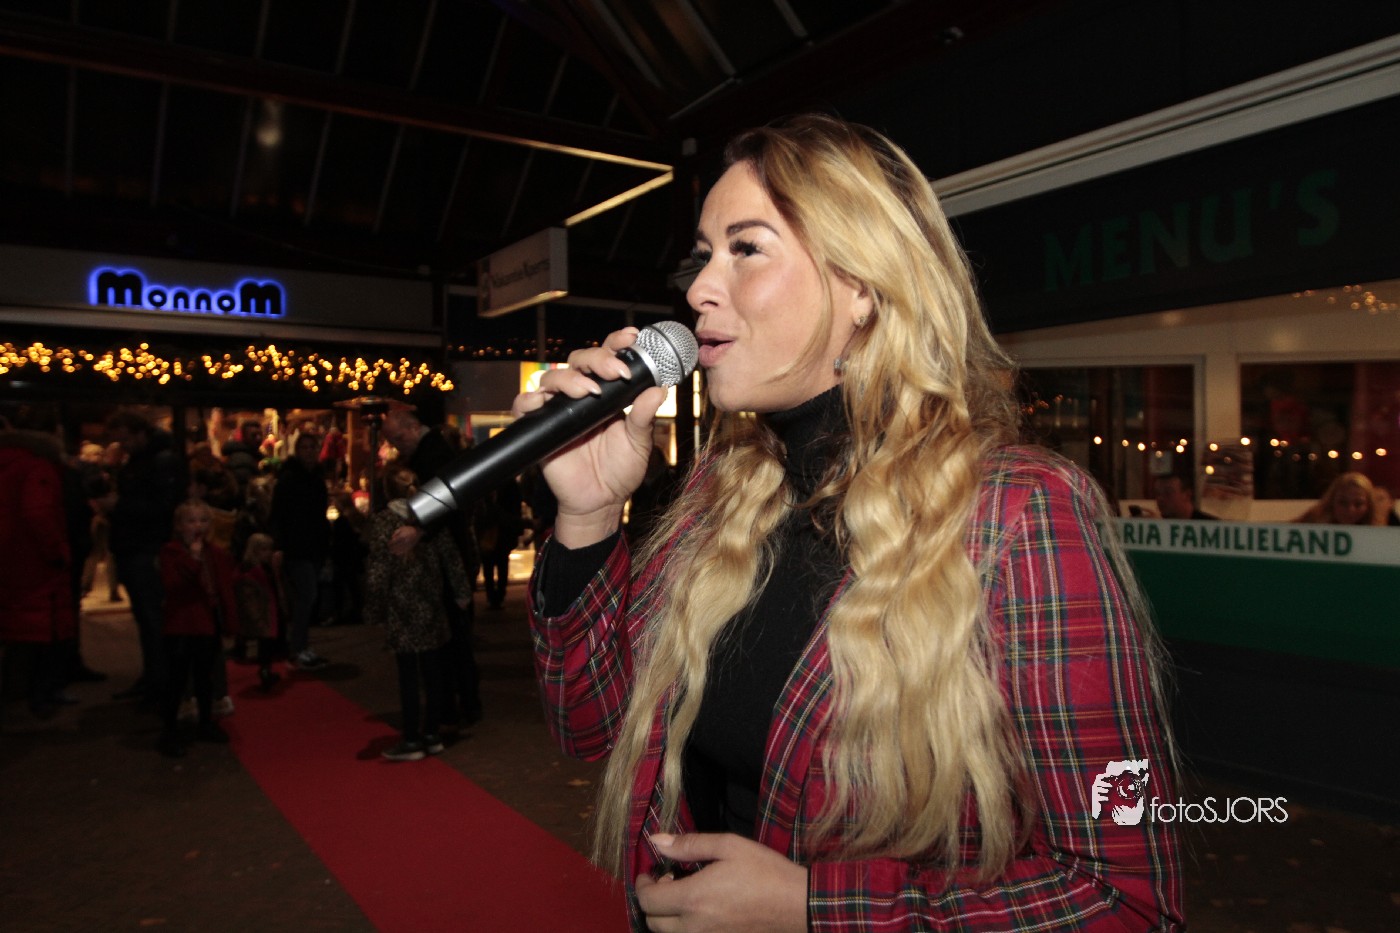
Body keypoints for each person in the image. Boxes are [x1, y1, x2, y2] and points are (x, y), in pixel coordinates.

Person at [516, 115, 1182, 930]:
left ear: (862, 284)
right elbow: (586, 725)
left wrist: (812, 909)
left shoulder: (1019, 513)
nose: (698, 290)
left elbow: (1125, 899)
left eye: (746, 248)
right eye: (704, 253)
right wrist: (587, 516)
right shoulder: (721, 498)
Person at [364, 466, 474, 761]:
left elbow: (378, 568)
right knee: (433, 671)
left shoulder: (384, 521)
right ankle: (432, 732)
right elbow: (451, 556)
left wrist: (374, 608)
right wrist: (461, 592)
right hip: (430, 602)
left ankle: (412, 737)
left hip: (402, 608)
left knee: (409, 676)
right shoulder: (428, 519)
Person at [383, 407, 483, 728]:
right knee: (451, 640)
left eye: (399, 438)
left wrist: (420, 530)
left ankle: (455, 707)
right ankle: (458, 705)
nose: (397, 446)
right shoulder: (433, 451)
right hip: (447, 560)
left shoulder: (433, 455)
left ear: (414, 427)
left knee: (450, 640)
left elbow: (446, 508)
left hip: (444, 562)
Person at [104, 410, 185, 702]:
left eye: (125, 439)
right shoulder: (143, 460)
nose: (123, 445)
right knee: (147, 619)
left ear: (140, 434)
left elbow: (164, 507)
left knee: (152, 620)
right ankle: (154, 678)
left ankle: (160, 683)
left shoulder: (158, 461)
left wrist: (119, 506)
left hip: (145, 547)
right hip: (136, 546)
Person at [0, 427, 79, 719]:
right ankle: (40, 693)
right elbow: (38, 514)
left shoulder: (9, 467)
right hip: (35, 560)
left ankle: (18, 692)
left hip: (11, 558)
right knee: (42, 629)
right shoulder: (37, 469)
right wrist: (57, 551)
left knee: (18, 630)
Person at [156, 499, 238, 757]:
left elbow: (224, 588)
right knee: (178, 678)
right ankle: (169, 729)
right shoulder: (171, 552)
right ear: (180, 526)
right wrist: (192, 558)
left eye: (203, 520)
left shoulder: (215, 553)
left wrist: (230, 621)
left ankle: (205, 721)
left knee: (205, 676)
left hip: (207, 623)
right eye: (191, 521)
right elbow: (173, 586)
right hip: (182, 624)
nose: (198, 526)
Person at [269, 431, 331, 669]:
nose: (309, 452)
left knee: (306, 596)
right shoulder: (290, 479)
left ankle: (300, 645)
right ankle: (297, 648)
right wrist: (280, 544)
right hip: (296, 545)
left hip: (312, 544)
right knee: (306, 595)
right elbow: (279, 514)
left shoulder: (316, 478)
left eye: (312, 447)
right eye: (304, 447)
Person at [233, 533, 285, 692]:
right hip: (261, 614)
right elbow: (248, 598)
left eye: (269, 549)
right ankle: (265, 672)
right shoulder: (249, 571)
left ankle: (266, 670)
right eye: (264, 550)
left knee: (267, 645)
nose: (268, 553)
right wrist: (256, 616)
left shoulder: (264, 568)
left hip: (267, 612)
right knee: (265, 644)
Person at [1292, 471, 1384, 525]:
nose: (1350, 510)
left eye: (1358, 504)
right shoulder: (1311, 525)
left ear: (1369, 506)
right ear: (1331, 502)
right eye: (1343, 502)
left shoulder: (1380, 535)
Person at [1151, 473, 1217, 520]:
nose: (1160, 498)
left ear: (1187, 495)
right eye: (1158, 493)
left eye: (1168, 492)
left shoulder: (1210, 526)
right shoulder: (1161, 527)